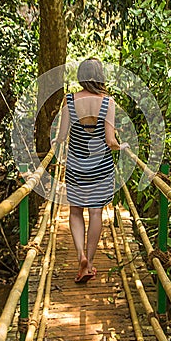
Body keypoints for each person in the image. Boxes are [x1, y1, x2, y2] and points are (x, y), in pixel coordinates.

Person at [52, 58, 129, 283]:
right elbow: (110, 140)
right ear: (100, 76)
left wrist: (55, 143)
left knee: (76, 211)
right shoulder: (108, 102)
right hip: (100, 168)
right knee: (96, 212)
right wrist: (121, 146)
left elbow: (62, 137)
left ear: (81, 76)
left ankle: (80, 257)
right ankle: (91, 263)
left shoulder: (69, 101)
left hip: (76, 166)